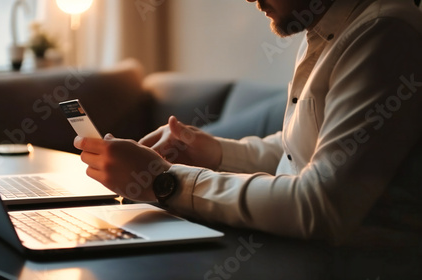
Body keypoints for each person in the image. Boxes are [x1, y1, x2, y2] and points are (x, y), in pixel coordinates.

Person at [74, 0, 422, 246]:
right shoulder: (327, 32)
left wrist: (163, 181)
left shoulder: (383, 33)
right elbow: (298, 151)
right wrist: (215, 153)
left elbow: (320, 207)